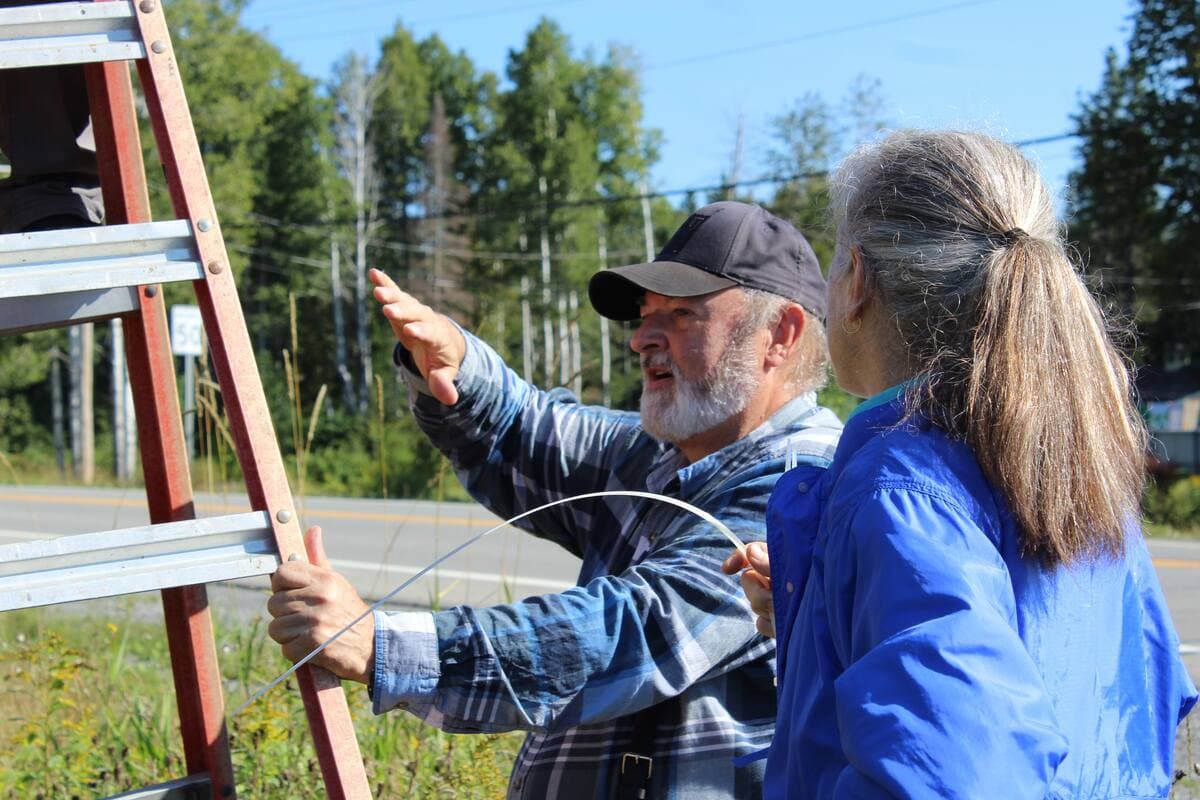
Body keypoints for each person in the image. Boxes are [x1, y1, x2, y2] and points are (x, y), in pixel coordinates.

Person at [266, 201, 844, 799]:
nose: (642, 339)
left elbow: (635, 632)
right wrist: (454, 364)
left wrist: (381, 645)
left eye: (680, 315)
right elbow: (529, 429)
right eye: (646, 316)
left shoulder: (803, 482)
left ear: (780, 334)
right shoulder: (669, 450)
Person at [724, 130, 1198, 799]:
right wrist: (828, 604)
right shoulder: (1078, 467)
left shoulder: (899, 490)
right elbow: (1133, 699)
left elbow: (953, 774)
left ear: (858, 279)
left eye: (832, 262)